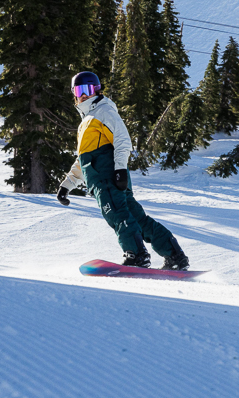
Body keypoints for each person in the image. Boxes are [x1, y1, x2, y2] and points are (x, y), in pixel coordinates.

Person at [56, 71, 190, 270]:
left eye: (88, 89)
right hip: (107, 176)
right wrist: (67, 185)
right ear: (74, 93)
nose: (84, 95)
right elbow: (84, 160)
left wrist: (119, 170)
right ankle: (174, 256)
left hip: (107, 177)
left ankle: (136, 255)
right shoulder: (87, 120)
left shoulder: (103, 111)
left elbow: (122, 140)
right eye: (79, 90)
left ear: (97, 90)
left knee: (117, 215)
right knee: (136, 218)